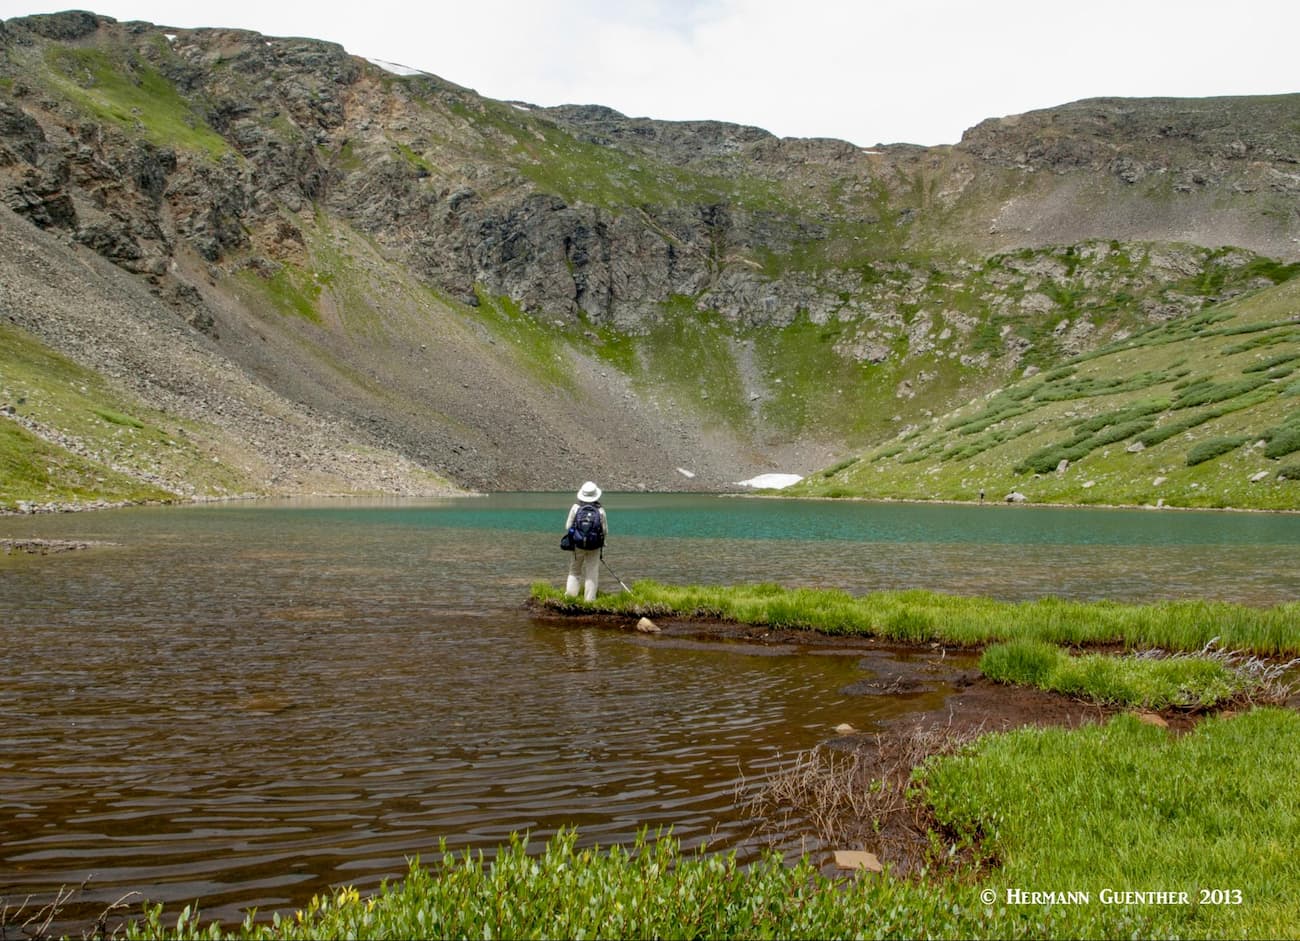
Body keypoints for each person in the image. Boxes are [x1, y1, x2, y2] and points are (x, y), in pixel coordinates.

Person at [564, 481, 607, 601]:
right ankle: (589, 600)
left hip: (577, 545)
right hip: (594, 546)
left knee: (574, 570)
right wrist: (603, 542)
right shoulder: (600, 510)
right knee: (592, 572)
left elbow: (568, 526)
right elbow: (604, 530)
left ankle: (570, 598)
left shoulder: (575, 508)